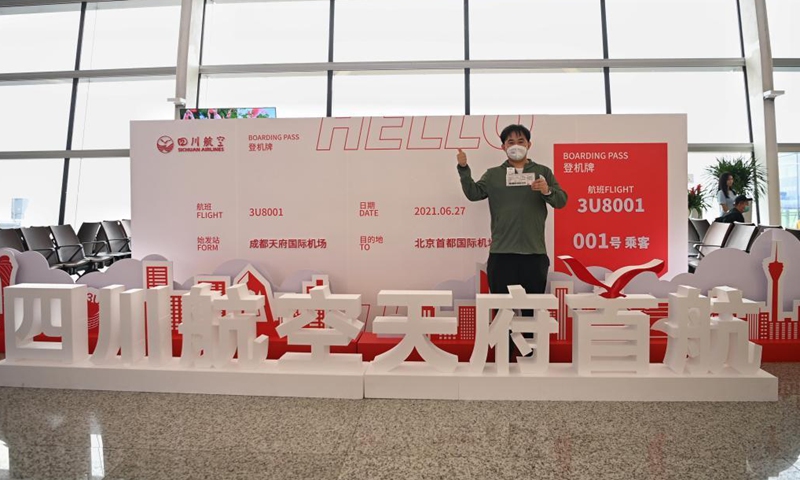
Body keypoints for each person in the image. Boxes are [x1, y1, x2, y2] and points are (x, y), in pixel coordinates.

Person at [456, 124, 568, 299]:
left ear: (529, 145)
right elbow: (474, 193)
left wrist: (547, 190)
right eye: (511, 142)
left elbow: (561, 201)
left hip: (534, 253)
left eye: (521, 141)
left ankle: (530, 329)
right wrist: (464, 169)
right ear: (503, 147)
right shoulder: (493, 175)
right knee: (502, 310)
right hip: (502, 253)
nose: (516, 146)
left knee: (533, 311)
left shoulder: (542, 172)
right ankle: (504, 328)